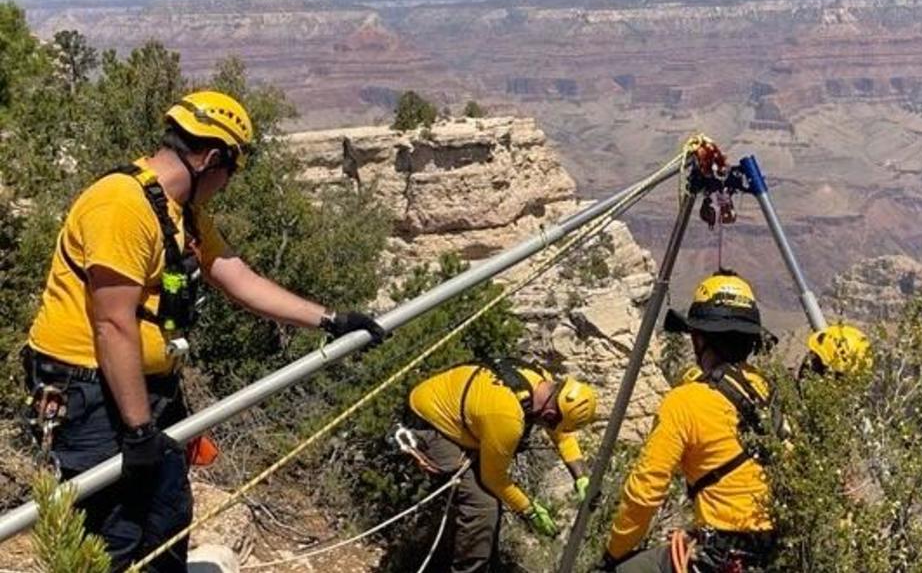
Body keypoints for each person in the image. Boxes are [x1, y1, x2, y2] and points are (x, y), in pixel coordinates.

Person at [20, 91, 385, 572]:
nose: (227, 185)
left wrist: (330, 319)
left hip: (148, 391)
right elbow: (113, 323)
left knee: (167, 519)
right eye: (230, 173)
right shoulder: (121, 205)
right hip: (90, 392)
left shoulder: (177, 210)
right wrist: (137, 430)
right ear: (213, 159)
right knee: (113, 535)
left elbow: (236, 276)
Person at [601, 270, 871, 572]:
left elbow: (645, 492)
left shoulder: (684, 401)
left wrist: (614, 554)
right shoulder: (772, 392)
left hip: (721, 556)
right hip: (781, 551)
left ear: (699, 338)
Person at [399, 357, 597, 573]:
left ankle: (487, 565)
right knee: (483, 503)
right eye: (552, 422)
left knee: (491, 499)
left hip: (452, 409)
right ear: (549, 415)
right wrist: (529, 510)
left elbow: (561, 435)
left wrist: (581, 476)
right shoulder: (507, 417)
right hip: (429, 424)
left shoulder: (543, 381)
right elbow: (493, 478)